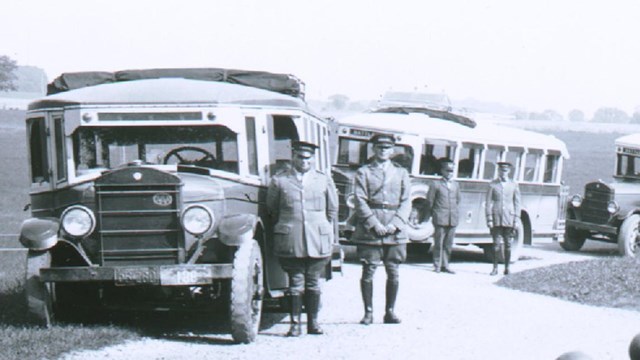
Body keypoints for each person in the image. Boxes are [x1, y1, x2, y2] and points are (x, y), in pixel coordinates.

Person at [266, 141, 339, 336]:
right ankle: (295, 324)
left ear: (313, 159)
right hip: (291, 239)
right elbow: (272, 210)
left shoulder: (324, 180)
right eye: (300, 157)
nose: (304, 161)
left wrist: (323, 228)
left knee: (313, 281)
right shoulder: (279, 181)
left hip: (318, 238)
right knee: (295, 283)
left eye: (308, 157)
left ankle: (313, 323)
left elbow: (332, 210)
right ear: (293, 157)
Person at [352, 133, 411, 325]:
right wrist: (373, 223)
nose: (383, 151)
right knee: (368, 270)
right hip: (371, 230)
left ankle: (390, 312)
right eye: (379, 147)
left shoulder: (401, 173)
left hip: (395, 229)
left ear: (392, 151)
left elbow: (406, 201)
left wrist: (396, 223)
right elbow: (359, 200)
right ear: (373, 149)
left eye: (387, 148)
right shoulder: (364, 172)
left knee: (393, 271)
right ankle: (368, 312)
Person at [485, 161, 521, 276]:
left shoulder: (514, 185)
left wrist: (516, 219)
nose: (503, 172)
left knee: (508, 244)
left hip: (508, 218)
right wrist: (489, 218)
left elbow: (517, 203)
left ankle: (507, 267)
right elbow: (488, 203)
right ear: (498, 171)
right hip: (496, 217)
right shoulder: (493, 185)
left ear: (509, 171)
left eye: (505, 170)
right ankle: (495, 268)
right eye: (501, 170)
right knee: (495, 244)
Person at [426, 158, 461, 274]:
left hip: (452, 217)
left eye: (451, 171)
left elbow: (458, 200)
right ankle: (437, 265)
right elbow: (430, 201)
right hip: (440, 216)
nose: (449, 173)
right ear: (442, 171)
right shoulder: (436, 184)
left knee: (448, 243)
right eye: (447, 170)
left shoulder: (456, 185)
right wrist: (432, 214)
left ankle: (446, 265)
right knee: (438, 243)